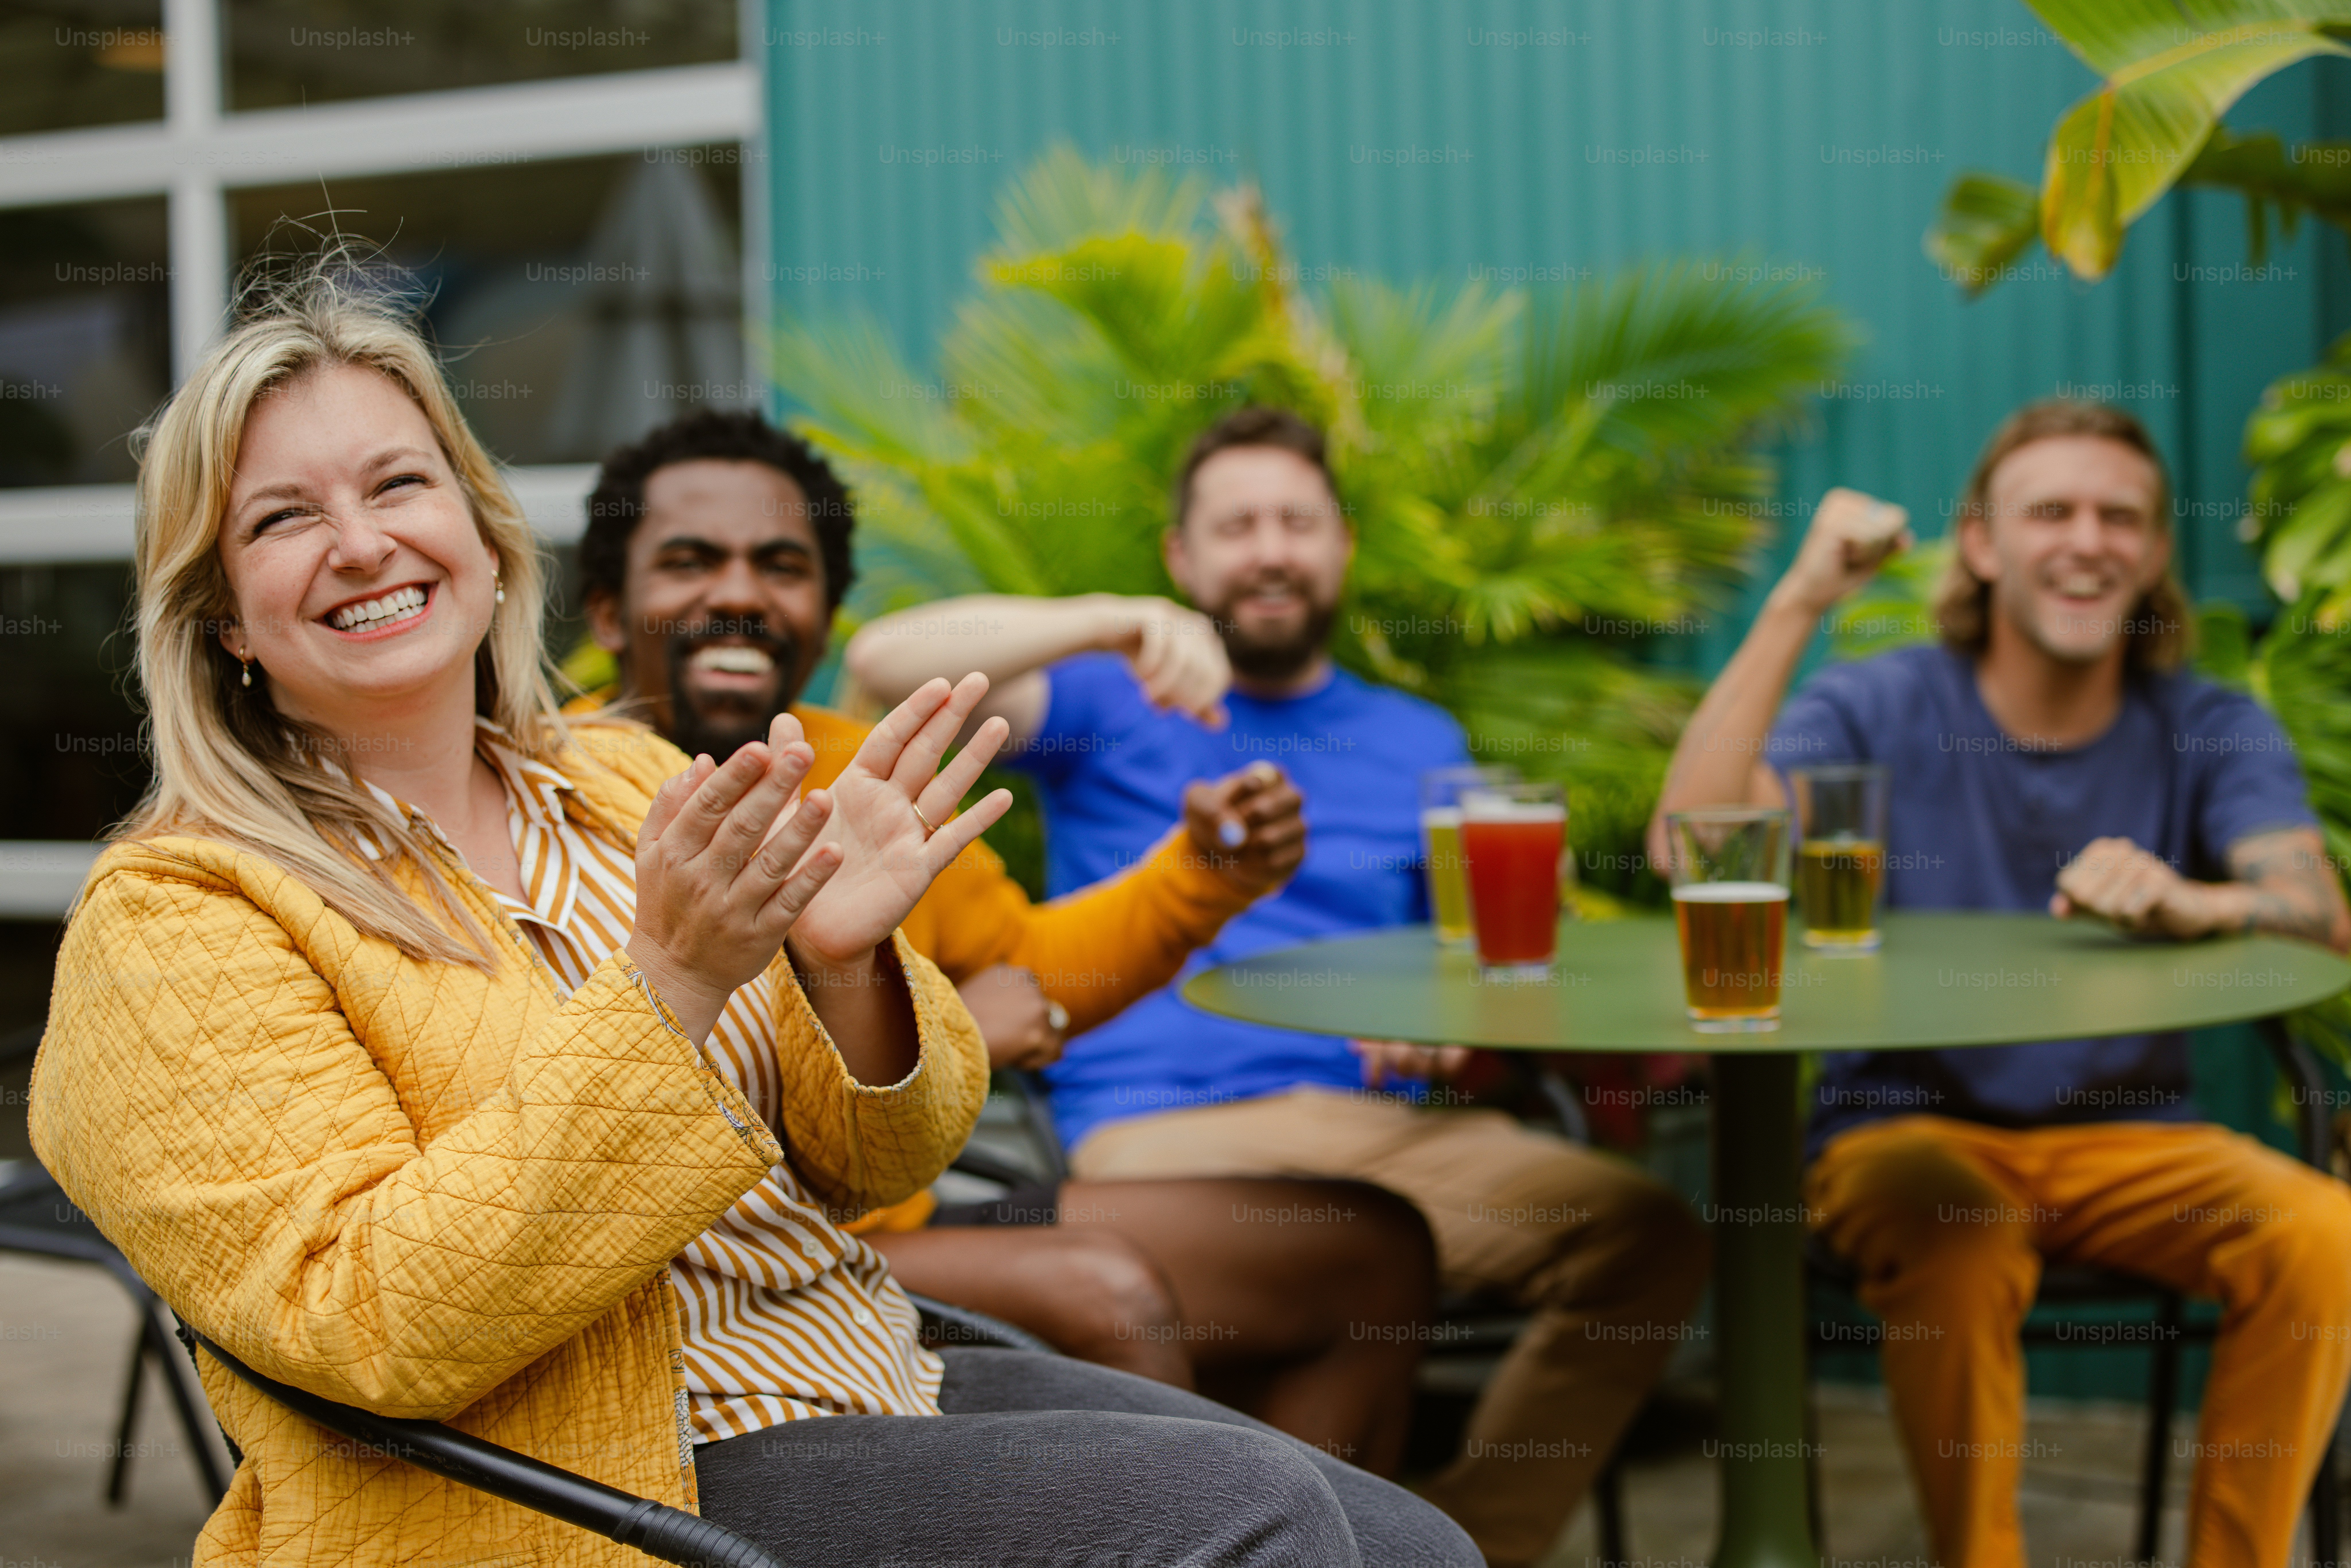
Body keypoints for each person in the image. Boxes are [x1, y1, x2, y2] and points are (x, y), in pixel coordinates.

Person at [27, 271, 1479, 1568]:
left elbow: (877, 1166)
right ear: (221, 618)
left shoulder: (619, 781)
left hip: (862, 1366)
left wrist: (843, 967)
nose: (361, 543)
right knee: (1259, 1521)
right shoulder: (179, 917)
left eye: (399, 485)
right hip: (599, 1477)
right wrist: (668, 980)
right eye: (284, 518)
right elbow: (369, 1323)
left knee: (1408, 1541)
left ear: (476, 524)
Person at [847, 404, 1712, 1568]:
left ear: (1339, 546)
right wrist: (1115, 624)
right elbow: (878, 665)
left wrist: (1446, 1039)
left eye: (1295, 521)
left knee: (1644, 1234)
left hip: (1370, 1129)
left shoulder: (1418, 737)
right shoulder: (1109, 698)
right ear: (1184, 559)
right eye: (1237, 524)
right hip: (1157, 1133)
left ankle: (1472, 1545)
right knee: (1356, 1258)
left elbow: (1455, 967)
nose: (1269, 549)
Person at [572, 408, 1439, 1473]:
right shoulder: (556, 792)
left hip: (927, 1207)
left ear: (825, 605)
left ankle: (1324, 1542)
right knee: (1101, 1289)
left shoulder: (860, 762)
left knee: (1367, 1254)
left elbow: (1030, 961)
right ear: (611, 610)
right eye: (692, 562)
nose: (742, 593)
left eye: (782, 565)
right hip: (757, 1260)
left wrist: (1202, 877)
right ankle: (1223, 1531)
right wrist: (951, 1030)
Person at [1651, 399, 2351, 1568]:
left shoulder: (2208, 723)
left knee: (2323, 1234)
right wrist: (1799, 596)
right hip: (1900, 1132)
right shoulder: (1879, 701)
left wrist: (2199, 902)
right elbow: (1690, 845)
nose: (2087, 539)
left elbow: (2319, 916)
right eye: (2050, 511)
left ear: (2153, 551)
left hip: (2130, 1142)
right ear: (1980, 543)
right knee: (1959, 1229)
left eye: (2119, 515)